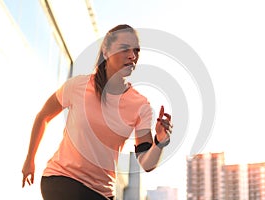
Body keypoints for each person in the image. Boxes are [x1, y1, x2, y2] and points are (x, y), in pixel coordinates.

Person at [22, 24, 173, 200]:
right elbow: (44, 116)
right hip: (61, 180)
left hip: (101, 193)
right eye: (125, 49)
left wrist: (160, 142)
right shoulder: (77, 86)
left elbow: (146, 163)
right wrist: (29, 159)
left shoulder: (141, 105)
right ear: (106, 52)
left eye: (136, 51)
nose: (133, 56)